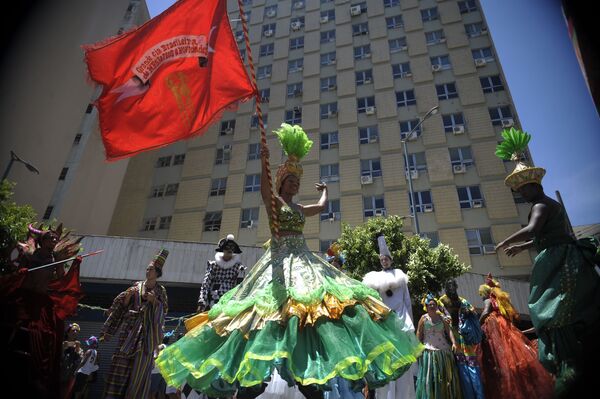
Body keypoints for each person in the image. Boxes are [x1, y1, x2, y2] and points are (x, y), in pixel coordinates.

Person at [157, 123, 423, 398]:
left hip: (303, 262)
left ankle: (307, 374)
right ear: (281, 182)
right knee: (265, 317)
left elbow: (319, 208)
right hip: (278, 263)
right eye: (291, 181)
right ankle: (257, 378)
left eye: (298, 182)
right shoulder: (275, 204)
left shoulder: (297, 207)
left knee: (313, 311)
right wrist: (264, 161)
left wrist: (325, 191)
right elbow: (262, 187)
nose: (295, 185)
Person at [493, 128, 600, 395]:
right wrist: (522, 247)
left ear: (533, 186)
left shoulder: (540, 205)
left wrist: (507, 241)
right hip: (557, 252)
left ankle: (568, 358)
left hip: (560, 260)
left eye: (522, 189)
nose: (520, 194)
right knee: (550, 308)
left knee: (553, 308)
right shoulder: (546, 204)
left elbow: (533, 229)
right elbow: (543, 236)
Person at [0, 223, 84, 398]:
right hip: (24, 298)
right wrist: (22, 270)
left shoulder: (56, 259)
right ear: (42, 240)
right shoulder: (31, 255)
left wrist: (70, 264)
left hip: (41, 302)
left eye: (55, 238)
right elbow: (19, 269)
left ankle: (39, 375)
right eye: (50, 237)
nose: (54, 240)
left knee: (50, 332)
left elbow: (61, 279)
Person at [100, 248, 169, 398]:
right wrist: (126, 299)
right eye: (147, 269)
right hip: (129, 331)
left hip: (146, 336)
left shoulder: (161, 290)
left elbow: (164, 311)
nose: (147, 271)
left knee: (139, 370)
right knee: (120, 366)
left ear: (157, 273)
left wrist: (154, 302)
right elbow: (120, 306)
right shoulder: (136, 286)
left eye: (151, 269)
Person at [477, 274, 553, 399]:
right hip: (504, 325)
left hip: (494, 327)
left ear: (484, 293)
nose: (481, 296)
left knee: (498, 356)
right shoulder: (499, 301)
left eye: (481, 294)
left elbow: (485, 311)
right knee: (511, 353)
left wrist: (478, 324)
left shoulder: (488, 300)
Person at [362, 234, 417, 399]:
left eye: (386, 259)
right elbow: (374, 302)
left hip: (400, 320)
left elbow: (406, 301)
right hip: (385, 322)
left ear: (391, 260)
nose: (384, 261)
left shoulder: (399, 276)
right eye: (381, 259)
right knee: (387, 360)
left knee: (403, 360)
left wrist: (410, 322)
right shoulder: (375, 278)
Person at [439, 280, 485, 399]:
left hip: (464, 336)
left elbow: (474, 312)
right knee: (458, 367)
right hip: (450, 337)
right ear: (445, 288)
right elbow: (439, 317)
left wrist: (468, 311)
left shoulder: (462, 300)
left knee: (471, 364)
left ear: (456, 286)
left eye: (453, 285)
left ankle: (479, 395)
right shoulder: (442, 301)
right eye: (448, 285)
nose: (451, 287)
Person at [415, 293, 462, 399]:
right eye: (430, 305)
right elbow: (419, 332)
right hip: (429, 351)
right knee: (430, 377)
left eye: (434, 304)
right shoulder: (423, 318)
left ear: (436, 306)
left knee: (443, 376)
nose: (432, 306)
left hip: (443, 351)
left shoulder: (442, 317)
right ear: (426, 307)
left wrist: (454, 343)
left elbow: (449, 330)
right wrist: (417, 347)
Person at [197, 234, 246, 313]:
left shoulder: (237, 267)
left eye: (232, 248)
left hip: (229, 299)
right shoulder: (213, 265)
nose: (229, 250)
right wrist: (202, 301)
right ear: (223, 249)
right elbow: (206, 284)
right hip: (214, 297)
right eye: (227, 247)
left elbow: (240, 286)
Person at [61, 322, 84, 399]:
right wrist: (63, 349)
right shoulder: (60, 343)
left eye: (77, 331)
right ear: (67, 332)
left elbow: (80, 364)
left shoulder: (78, 347)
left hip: (69, 378)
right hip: (58, 375)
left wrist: (77, 351)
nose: (75, 332)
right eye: (73, 330)